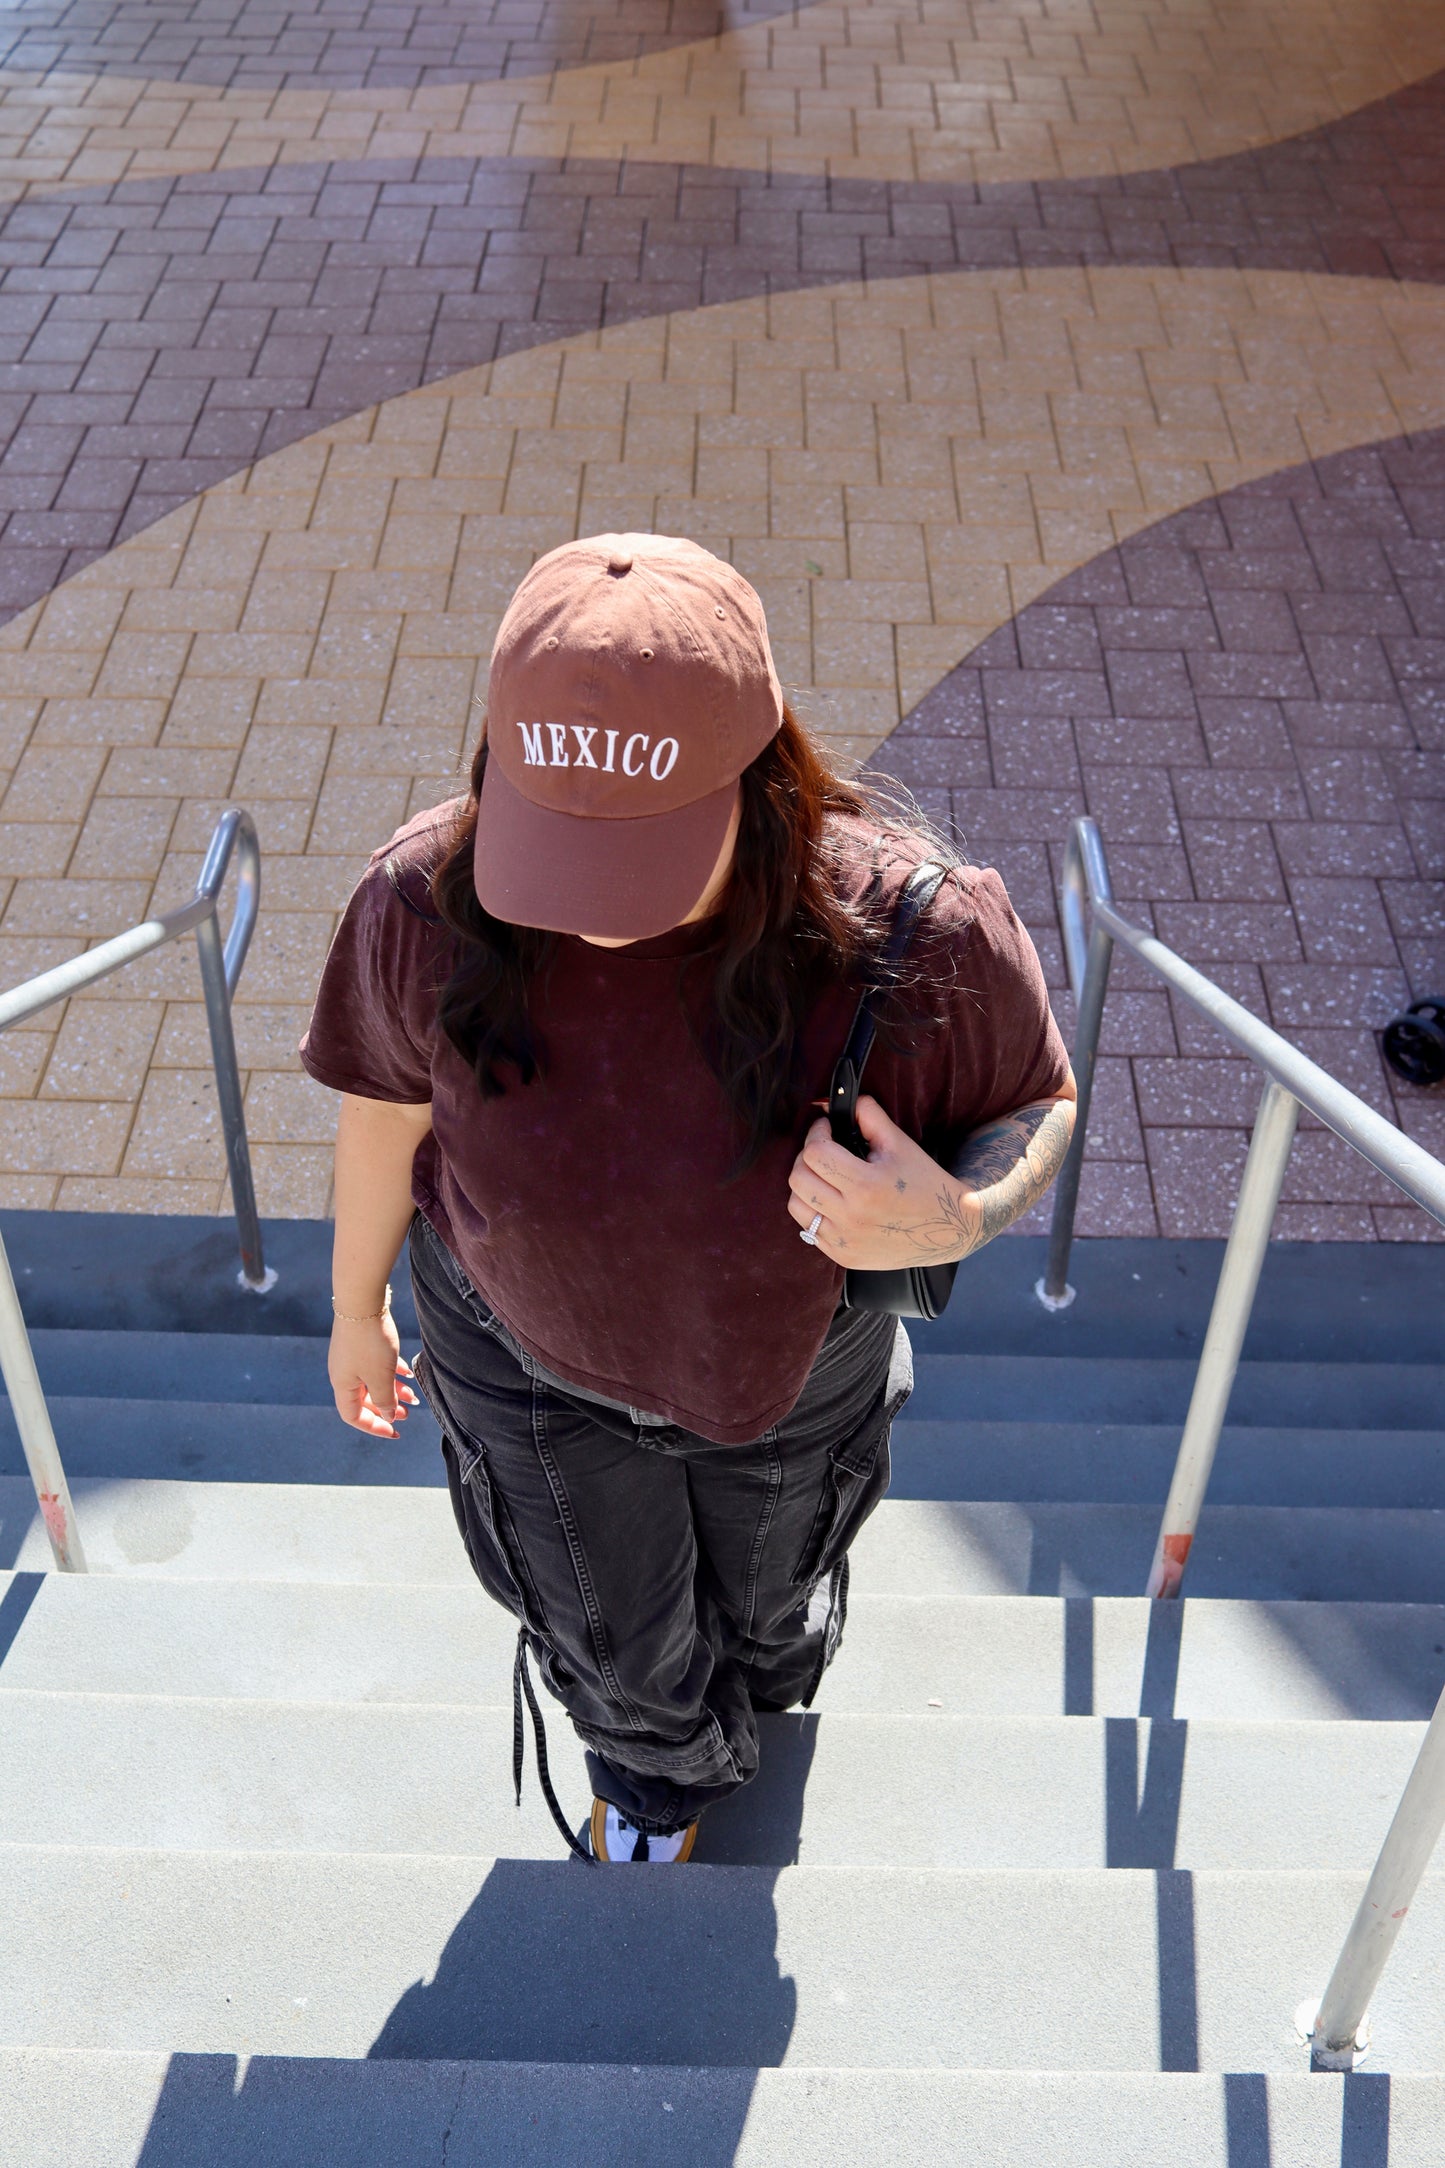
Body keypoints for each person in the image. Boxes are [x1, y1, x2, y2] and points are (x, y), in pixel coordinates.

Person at [301, 532, 1076, 1865]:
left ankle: (759, 1702)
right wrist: (353, 1306)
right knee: (608, 1637)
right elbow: (385, 1103)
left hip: (789, 1373)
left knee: (771, 1608)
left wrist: (957, 1214)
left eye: (646, 852)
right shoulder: (419, 898)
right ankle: (657, 1794)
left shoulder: (914, 931)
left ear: (762, 769)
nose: (599, 912)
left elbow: (1038, 1102)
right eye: (560, 845)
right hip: (519, 1366)